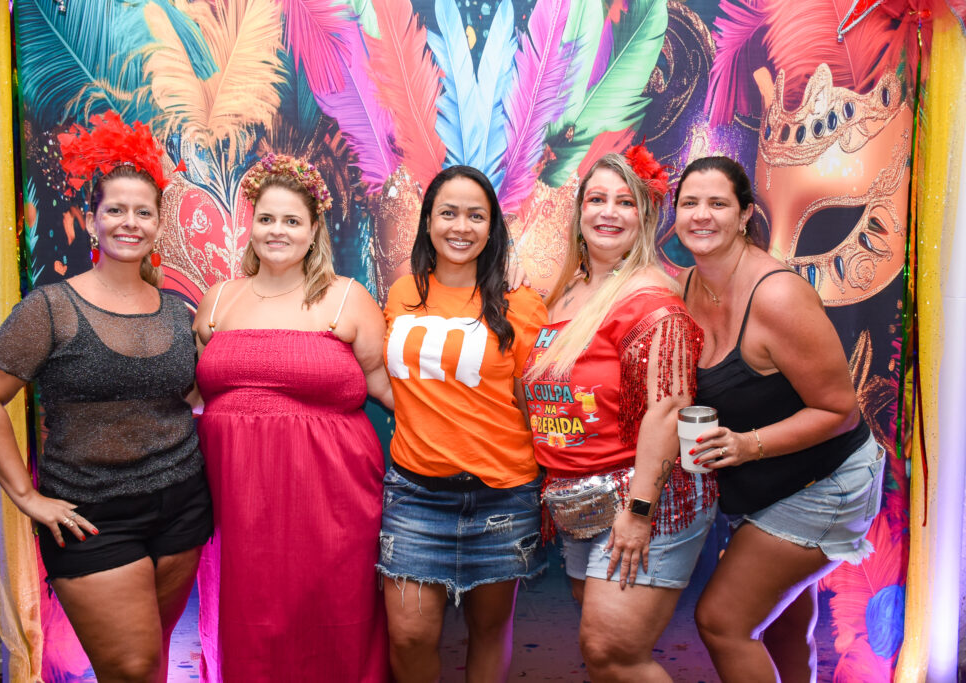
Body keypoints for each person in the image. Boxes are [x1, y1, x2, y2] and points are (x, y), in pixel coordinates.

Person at [0, 111, 211, 681]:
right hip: (91, 519)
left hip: (182, 507)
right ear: (93, 219)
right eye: (115, 210)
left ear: (158, 224)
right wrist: (27, 497)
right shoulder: (51, 308)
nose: (130, 223)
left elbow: (195, 398)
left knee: (153, 659)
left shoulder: (178, 312)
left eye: (143, 212)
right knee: (131, 666)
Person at [674, 156, 884, 682]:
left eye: (718, 203)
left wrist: (746, 446)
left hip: (826, 483)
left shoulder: (777, 295)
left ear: (745, 214)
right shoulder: (684, 286)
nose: (702, 215)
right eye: (689, 203)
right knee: (781, 624)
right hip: (763, 485)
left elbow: (839, 411)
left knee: (723, 621)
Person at [192, 153, 391, 681]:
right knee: (249, 625)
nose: (276, 231)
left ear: (313, 230)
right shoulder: (218, 301)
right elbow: (188, 393)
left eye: (291, 220)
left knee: (332, 618)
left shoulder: (347, 298)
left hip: (333, 501)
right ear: (251, 225)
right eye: (266, 218)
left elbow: (386, 389)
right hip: (236, 504)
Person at [522, 150, 718, 682]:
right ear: (580, 211)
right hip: (580, 499)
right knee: (603, 655)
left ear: (645, 216)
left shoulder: (651, 298)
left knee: (611, 651)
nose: (608, 212)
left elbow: (669, 412)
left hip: (643, 498)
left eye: (625, 202)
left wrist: (638, 512)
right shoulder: (569, 292)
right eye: (597, 199)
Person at [378, 165, 547, 682]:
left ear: (492, 226)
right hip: (415, 495)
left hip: (502, 496)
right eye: (448, 213)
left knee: (488, 631)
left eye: (476, 216)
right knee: (409, 637)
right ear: (428, 221)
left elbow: (531, 403)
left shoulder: (521, 303)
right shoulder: (402, 293)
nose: (461, 226)